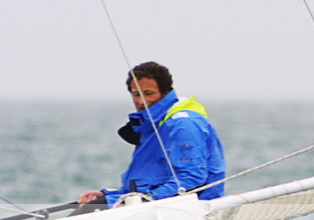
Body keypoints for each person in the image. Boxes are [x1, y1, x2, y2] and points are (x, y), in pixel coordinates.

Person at [76, 61, 226, 208]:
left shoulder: (183, 124)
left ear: (165, 92)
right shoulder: (151, 125)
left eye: (148, 93)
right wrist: (105, 195)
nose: (141, 101)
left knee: (83, 217)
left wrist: (147, 199)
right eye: (136, 94)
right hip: (148, 206)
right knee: (82, 211)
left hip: (179, 210)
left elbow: (192, 177)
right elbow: (144, 182)